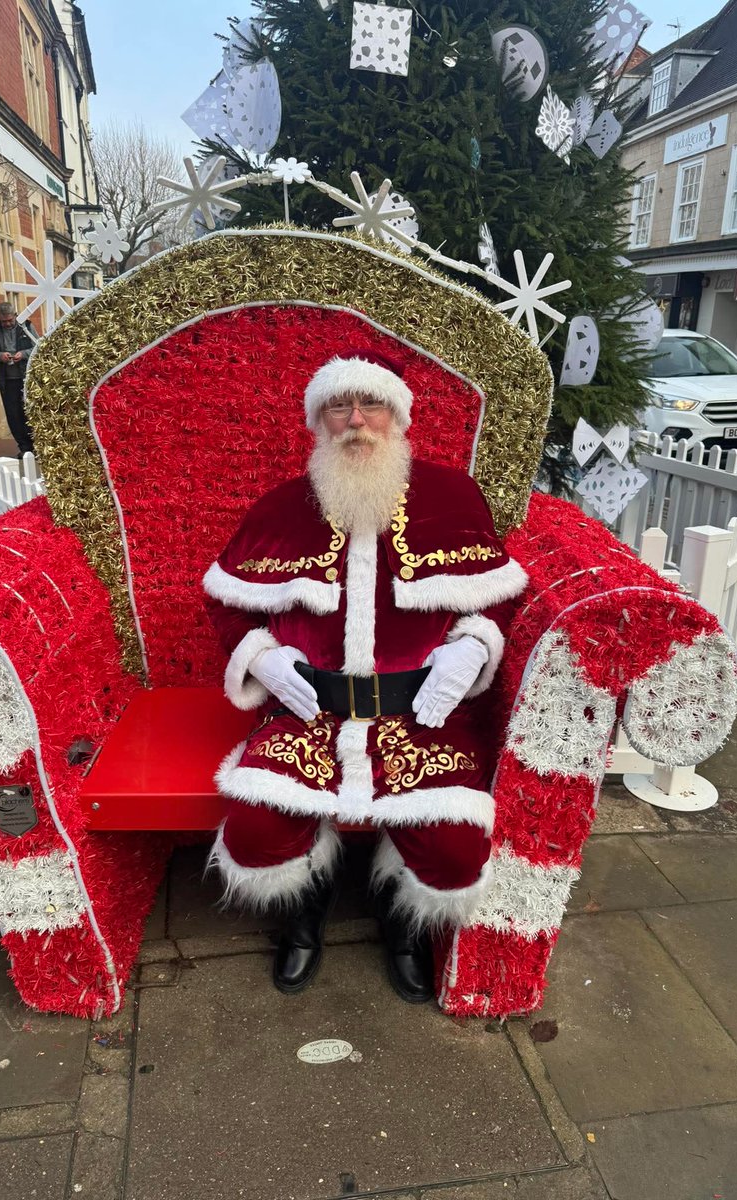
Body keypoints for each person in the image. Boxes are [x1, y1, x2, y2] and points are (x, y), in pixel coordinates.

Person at [202, 348, 528, 1002]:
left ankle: (401, 919)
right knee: (258, 833)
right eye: (338, 406)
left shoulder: (451, 498)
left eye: (370, 404)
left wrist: (472, 646)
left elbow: (497, 594)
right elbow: (226, 600)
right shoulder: (280, 507)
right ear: (318, 420)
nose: (355, 420)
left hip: (423, 715)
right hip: (307, 714)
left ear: (397, 416)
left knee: (454, 852)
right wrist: (262, 657)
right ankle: (307, 907)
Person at [0, 302, 37, 456]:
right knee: (13, 415)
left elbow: (38, 346)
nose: (7, 324)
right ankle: (25, 448)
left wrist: (23, 354)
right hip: (6, 380)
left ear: (15, 315)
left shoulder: (26, 326)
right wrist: (0, 356)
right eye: (3, 321)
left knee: (30, 412)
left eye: (10, 320)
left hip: (27, 378)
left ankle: (37, 445)